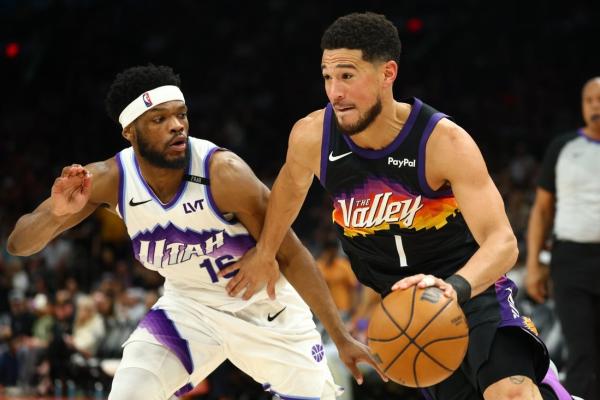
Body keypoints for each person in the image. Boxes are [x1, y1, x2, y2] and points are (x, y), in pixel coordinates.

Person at [219, 12, 575, 400]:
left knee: (512, 394)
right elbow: (287, 193)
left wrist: (453, 289)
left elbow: (503, 243)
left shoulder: (442, 142)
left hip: (471, 291)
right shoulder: (312, 137)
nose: (335, 92)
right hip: (406, 312)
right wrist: (265, 252)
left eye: (347, 76)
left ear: (387, 73)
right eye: (327, 77)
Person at [6, 64, 384, 400]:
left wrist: (340, 336)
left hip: (266, 310)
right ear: (130, 132)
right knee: (130, 392)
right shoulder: (108, 179)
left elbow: (293, 253)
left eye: (181, 114)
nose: (176, 125)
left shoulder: (223, 173)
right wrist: (56, 215)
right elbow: (19, 244)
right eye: (159, 119)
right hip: (189, 308)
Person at [526, 77, 600, 399]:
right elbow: (542, 210)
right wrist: (533, 265)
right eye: (589, 100)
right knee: (582, 352)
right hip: (571, 261)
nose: (595, 105)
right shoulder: (563, 147)